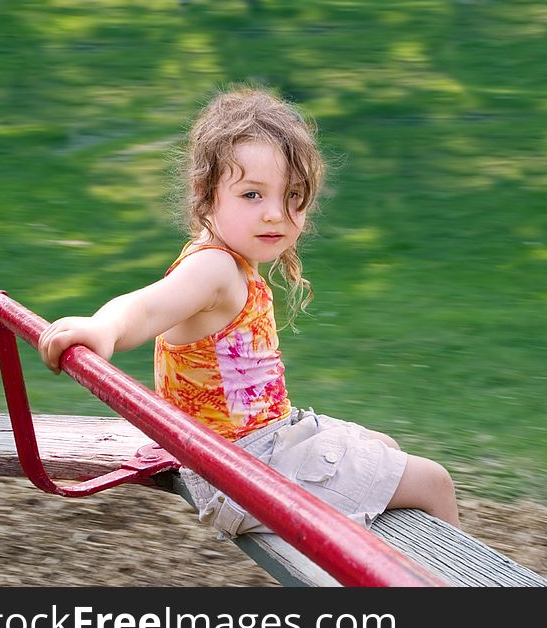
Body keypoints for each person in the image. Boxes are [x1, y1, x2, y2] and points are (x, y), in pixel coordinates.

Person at [38, 85, 460, 536]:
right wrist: (103, 328)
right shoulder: (213, 267)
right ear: (207, 192)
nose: (276, 215)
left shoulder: (228, 259)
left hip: (254, 449)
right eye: (252, 195)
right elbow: (145, 307)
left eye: (293, 195)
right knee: (434, 482)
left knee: (385, 447)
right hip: (244, 470)